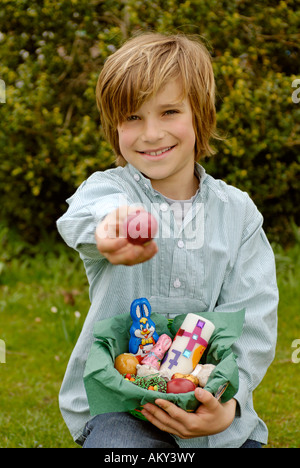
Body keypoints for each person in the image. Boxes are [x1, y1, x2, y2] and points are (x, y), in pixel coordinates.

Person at [57, 32, 278, 449]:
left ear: (201, 115)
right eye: (132, 117)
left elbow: (252, 322)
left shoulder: (239, 213)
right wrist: (114, 229)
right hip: (122, 410)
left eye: (169, 111)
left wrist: (225, 406)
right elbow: (87, 217)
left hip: (209, 407)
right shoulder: (109, 191)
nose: (151, 134)